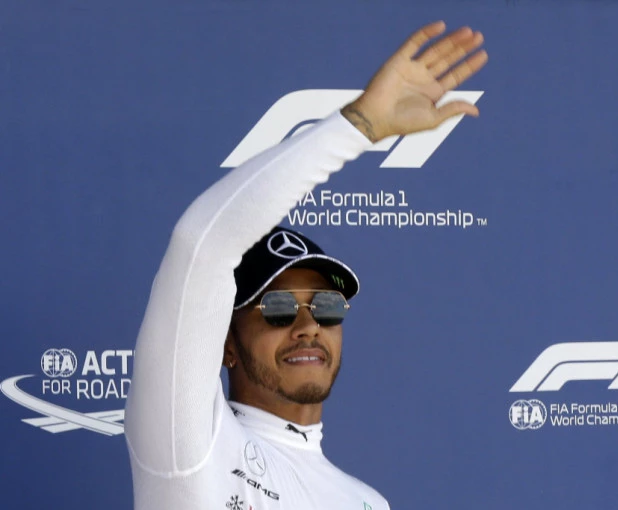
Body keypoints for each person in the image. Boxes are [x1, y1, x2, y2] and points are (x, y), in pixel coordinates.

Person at [124, 21, 488, 510]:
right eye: (277, 308)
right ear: (227, 344)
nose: (308, 326)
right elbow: (201, 245)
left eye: (326, 307)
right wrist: (360, 124)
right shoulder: (191, 446)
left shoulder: (367, 502)